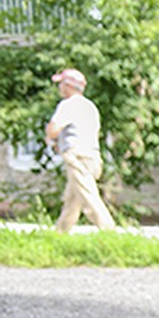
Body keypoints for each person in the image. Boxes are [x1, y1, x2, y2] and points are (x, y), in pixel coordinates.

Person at [45, 67, 115, 233]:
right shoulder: (90, 107)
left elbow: (53, 129)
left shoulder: (68, 105)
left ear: (68, 86)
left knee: (88, 195)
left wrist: (51, 137)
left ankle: (109, 230)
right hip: (93, 156)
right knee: (72, 200)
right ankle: (60, 233)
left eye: (61, 83)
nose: (59, 88)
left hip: (76, 156)